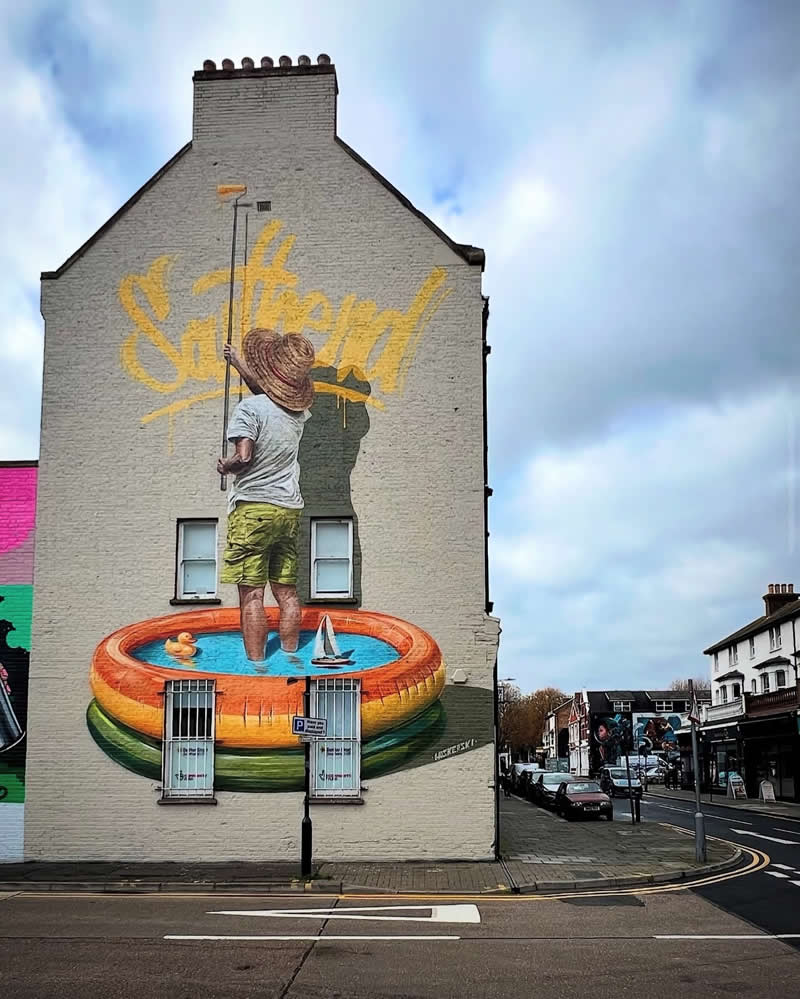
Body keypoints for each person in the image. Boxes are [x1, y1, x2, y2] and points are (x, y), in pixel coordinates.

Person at [217, 328, 315, 663]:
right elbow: (271, 397)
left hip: (253, 510)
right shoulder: (297, 416)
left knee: (252, 595)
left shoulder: (249, 409)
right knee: (286, 593)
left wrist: (226, 466)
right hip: (289, 510)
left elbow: (244, 458)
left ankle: (257, 667)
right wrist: (240, 367)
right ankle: (290, 656)